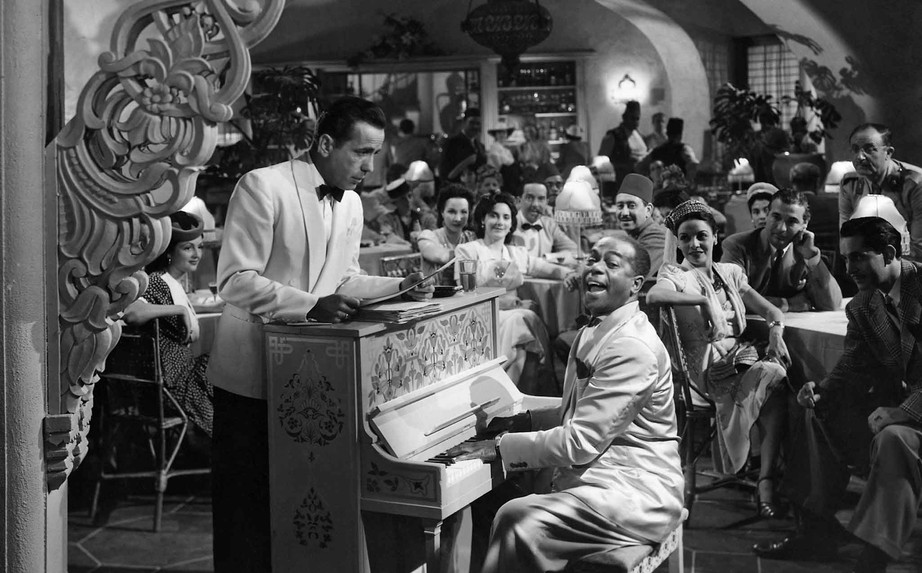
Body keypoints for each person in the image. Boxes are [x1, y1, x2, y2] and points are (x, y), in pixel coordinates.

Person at [208, 96, 433, 572]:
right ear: (327, 144)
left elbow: (345, 278)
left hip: (311, 377)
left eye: (375, 154)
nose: (369, 166)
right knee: (245, 509)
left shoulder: (351, 202)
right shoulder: (263, 186)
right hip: (251, 374)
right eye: (361, 152)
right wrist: (312, 305)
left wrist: (401, 286)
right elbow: (234, 280)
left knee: (299, 506)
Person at [448, 235, 684, 572]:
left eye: (611, 263)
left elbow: (580, 441)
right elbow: (580, 409)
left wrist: (499, 446)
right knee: (494, 496)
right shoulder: (600, 328)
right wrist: (523, 421)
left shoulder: (631, 346)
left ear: (635, 285)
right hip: (604, 475)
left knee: (517, 520)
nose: (595, 268)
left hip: (634, 490)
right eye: (593, 259)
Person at [754, 216, 922, 573]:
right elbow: (854, 364)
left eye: (858, 257)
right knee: (820, 411)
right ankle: (815, 532)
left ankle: (874, 558)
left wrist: (905, 411)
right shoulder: (863, 305)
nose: (849, 268)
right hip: (902, 414)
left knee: (894, 438)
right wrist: (822, 390)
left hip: (912, 419)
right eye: (846, 258)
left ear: (889, 252)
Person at [647, 200, 791, 515]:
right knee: (776, 379)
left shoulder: (730, 273)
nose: (694, 244)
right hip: (703, 373)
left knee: (778, 383)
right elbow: (654, 295)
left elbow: (772, 311)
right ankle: (766, 477)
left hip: (739, 360)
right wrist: (702, 302)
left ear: (715, 237)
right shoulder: (676, 274)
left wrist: (776, 332)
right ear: (678, 243)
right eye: (685, 238)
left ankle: (767, 476)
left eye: (701, 236)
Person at [454, 192, 569, 394]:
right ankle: (506, 394)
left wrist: (568, 274)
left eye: (506, 217)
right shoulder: (468, 250)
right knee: (522, 320)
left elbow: (545, 267)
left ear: (511, 224)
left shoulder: (516, 253)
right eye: (494, 215)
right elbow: (464, 293)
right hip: (480, 317)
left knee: (521, 332)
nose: (500, 222)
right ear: (483, 219)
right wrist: (507, 304)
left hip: (514, 316)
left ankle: (509, 395)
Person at [122, 211, 213, 437]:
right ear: (170, 252)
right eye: (188, 248)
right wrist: (179, 310)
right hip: (169, 384)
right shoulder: (157, 281)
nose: (197, 254)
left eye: (200, 247)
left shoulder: (174, 283)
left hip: (181, 375)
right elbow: (132, 313)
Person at [721, 188, 842, 311]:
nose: (781, 228)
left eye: (792, 221)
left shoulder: (804, 250)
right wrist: (788, 304)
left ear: (804, 224)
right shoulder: (737, 245)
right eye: (776, 217)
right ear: (767, 215)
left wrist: (811, 256)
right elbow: (731, 298)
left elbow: (831, 304)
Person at [839, 123, 922, 262]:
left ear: (888, 153)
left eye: (869, 149)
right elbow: (845, 237)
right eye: (855, 149)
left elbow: (919, 246)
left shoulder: (914, 184)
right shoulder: (850, 184)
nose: (860, 157)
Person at [416, 183, 477, 285]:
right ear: (442, 212)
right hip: (433, 294)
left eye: (463, 212)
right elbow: (440, 256)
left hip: (467, 294)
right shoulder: (428, 236)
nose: (458, 218)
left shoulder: (472, 238)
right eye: (452, 212)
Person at [613, 174, 667, 279]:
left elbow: (631, 277)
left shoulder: (656, 237)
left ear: (648, 210)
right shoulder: (636, 235)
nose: (624, 213)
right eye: (620, 206)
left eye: (631, 206)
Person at [512, 181, 578, 259]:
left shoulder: (550, 225)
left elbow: (574, 252)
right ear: (519, 200)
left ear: (546, 202)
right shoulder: (508, 223)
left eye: (541, 199)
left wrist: (547, 258)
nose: (535, 204)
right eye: (529, 198)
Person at [598, 100, 646, 187]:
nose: (635, 122)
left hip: (640, 181)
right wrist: (626, 165)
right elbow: (602, 163)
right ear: (625, 117)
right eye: (632, 118)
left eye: (637, 119)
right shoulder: (613, 136)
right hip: (621, 182)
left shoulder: (640, 136)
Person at [637, 117, 699, 184]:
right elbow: (694, 166)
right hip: (678, 187)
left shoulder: (657, 151)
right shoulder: (684, 149)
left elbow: (639, 168)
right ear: (680, 135)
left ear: (667, 133)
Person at [439, 107, 485, 183]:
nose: (475, 126)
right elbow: (444, 174)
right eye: (472, 123)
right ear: (464, 122)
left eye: (478, 123)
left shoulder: (480, 146)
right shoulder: (452, 143)